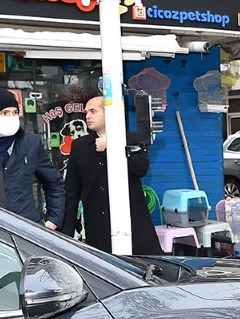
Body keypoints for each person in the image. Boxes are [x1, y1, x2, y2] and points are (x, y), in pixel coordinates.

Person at [60, 96, 163, 255]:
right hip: (97, 228)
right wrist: (66, 232)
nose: (88, 116)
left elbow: (141, 168)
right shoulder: (80, 146)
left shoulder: (131, 139)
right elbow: (71, 192)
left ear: (108, 112)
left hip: (134, 225)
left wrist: (112, 147)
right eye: (86, 112)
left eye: (93, 111)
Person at [0, 88, 64, 230]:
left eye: (15, 112)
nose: (11, 117)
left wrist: (53, 221)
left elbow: (54, 183)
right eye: (4, 113)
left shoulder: (30, 142)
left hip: (26, 228)